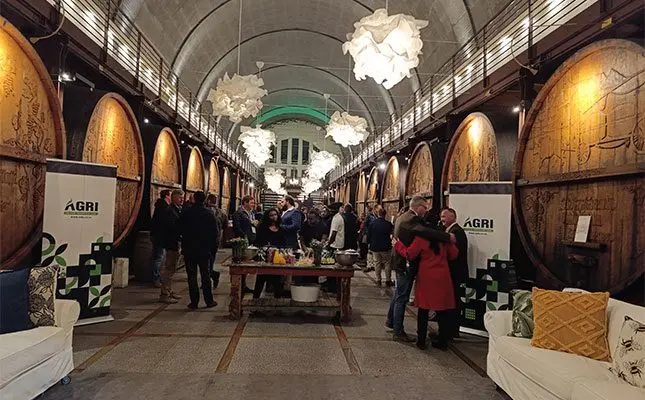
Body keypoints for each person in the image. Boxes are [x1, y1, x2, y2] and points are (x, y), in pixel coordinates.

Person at [386, 196, 454, 342]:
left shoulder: (402, 216)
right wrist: (447, 237)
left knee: (398, 294)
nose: (426, 210)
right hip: (404, 264)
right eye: (425, 207)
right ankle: (398, 331)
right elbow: (425, 232)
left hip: (399, 262)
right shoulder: (411, 219)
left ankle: (391, 321)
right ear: (418, 207)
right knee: (402, 297)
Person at [179, 191, 218, 309]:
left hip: (189, 248)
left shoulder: (186, 212)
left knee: (191, 276)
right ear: (205, 200)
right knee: (205, 275)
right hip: (204, 248)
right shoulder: (209, 213)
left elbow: (179, 228)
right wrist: (211, 247)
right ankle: (209, 301)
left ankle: (194, 302)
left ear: (194, 199)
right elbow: (215, 232)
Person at [441, 207, 469, 339]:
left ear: (452, 217)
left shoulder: (456, 232)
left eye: (444, 216)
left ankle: (452, 330)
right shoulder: (450, 230)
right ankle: (450, 328)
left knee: (454, 300)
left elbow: (455, 254)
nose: (442, 219)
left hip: (455, 272)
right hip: (452, 272)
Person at [253, 208, 285, 299]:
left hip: (277, 258)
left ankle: (278, 302)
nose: (274, 217)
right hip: (264, 258)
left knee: (277, 281)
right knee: (260, 280)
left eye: (275, 215)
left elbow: (283, 243)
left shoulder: (281, 229)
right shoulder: (262, 228)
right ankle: (255, 300)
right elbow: (258, 242)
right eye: (271, 215)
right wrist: (267, 248)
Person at [159, 189, 184, 304]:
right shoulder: (170, 210)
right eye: (180, 197)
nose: (182, 199)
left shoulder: (177, 209)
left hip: (175, 242)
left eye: (182, 197)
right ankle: (164, 294)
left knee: (172, 268)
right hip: (171, 243)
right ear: (173, 197)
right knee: (169, 269)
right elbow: (171, 227)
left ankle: (169, 290)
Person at [233, 195, 257, 294]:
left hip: (250, 240)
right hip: (242, 242)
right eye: (251, 203)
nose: (253, 205)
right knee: (240, 264)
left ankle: (244, 285)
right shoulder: (238, 213)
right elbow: (237, 227)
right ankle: (238, 287)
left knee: (246, 263)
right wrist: (244, 236)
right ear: (245, 203)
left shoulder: (251, 213)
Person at [367, 208, 394, 287]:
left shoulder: (372, 223)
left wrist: (369, 243)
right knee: (387, 263)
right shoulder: (388, 224)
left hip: (375, 247)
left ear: (378, 214)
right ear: (385, 215)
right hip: (386, 247)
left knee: (377, 263)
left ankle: (378, 280)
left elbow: (369, 235)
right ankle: (388, 280)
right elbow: (392, 234)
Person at [150, 189, 170, 288]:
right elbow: (163, 224)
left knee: (158, 257)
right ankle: (156, 279)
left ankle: (157, 277)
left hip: (157, 236)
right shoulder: (164, 208)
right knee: (158, 258)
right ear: (166, 196)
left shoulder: (159, 206)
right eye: (169, 195)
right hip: (161, 236)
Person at [205, 194, 225, 288]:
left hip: (205, 240)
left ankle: (210, 277)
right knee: (210, 260)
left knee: (205, 261)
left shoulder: (205, 211)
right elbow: (225, 225)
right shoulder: (221, 212)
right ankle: (208, 278)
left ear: (208, 201)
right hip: (216, 239)